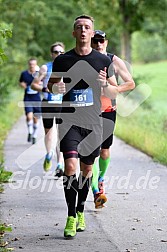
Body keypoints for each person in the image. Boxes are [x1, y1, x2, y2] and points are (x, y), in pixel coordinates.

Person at [48, 15, 126, 239]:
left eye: (87, 28)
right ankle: (71, 216)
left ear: (92, 34)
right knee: (70, 167)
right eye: (79, 27)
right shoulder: (63, 60)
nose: (83, 31)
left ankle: (81, 210)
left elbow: (113, 92)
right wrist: (57, 88)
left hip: (94, 123)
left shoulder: (103, 61)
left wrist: (105, 85)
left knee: (87, 171)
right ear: (74, 33)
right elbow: (51, 86)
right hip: (69, 121)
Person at [91, 30, 135, 208]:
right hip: (89, 111)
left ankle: (100, 179)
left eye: (101, 41)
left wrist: (113, 88)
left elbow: (130, 83)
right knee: (90, 153)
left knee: (104, 151)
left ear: (106, 42)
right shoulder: (84, 58)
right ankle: (96, 192)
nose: (98, 44)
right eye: (95, 41)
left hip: (109, 109)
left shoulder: (113, 60)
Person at [31, 42, 65, 176]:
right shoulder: (45, 68)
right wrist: (45, 88)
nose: (59, 54)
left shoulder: (68, 67)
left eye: (61, 52)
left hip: (63, 103)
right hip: (48, 102)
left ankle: (60, 164)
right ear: (52, 54)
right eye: (56, 52)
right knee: (49, 132)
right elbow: (34, 85)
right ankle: (49, 153)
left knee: (62, 135)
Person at [19, 58, 41, 144]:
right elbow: (21, 82)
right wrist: (23, 85)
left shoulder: (38, 74)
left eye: (33, 64)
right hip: (27, 97)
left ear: (36, 64)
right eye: (30, 64)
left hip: (36, 98)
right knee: (29, 116)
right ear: (28, 64)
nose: (32, 65)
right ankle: (30, 132)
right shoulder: (24, 74)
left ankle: (34, 135)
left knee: (36, 118)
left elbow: (43, 83)